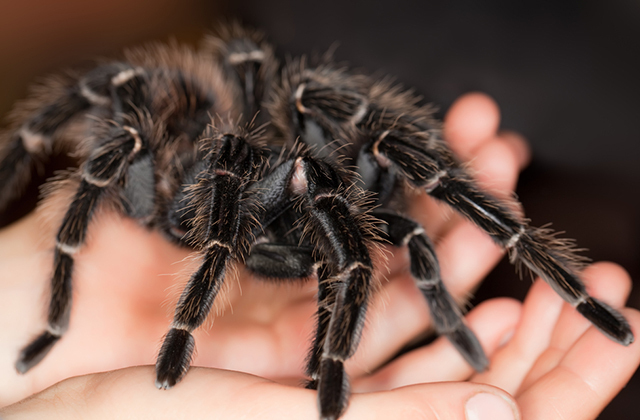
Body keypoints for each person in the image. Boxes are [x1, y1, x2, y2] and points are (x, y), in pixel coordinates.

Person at [0, 93, 638, 419]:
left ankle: (571, 288)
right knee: (141, 130)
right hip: (181, 203)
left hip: (292, 200)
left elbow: (345, 163)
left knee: (366, 179)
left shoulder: (317, 169)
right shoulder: (202, 161)